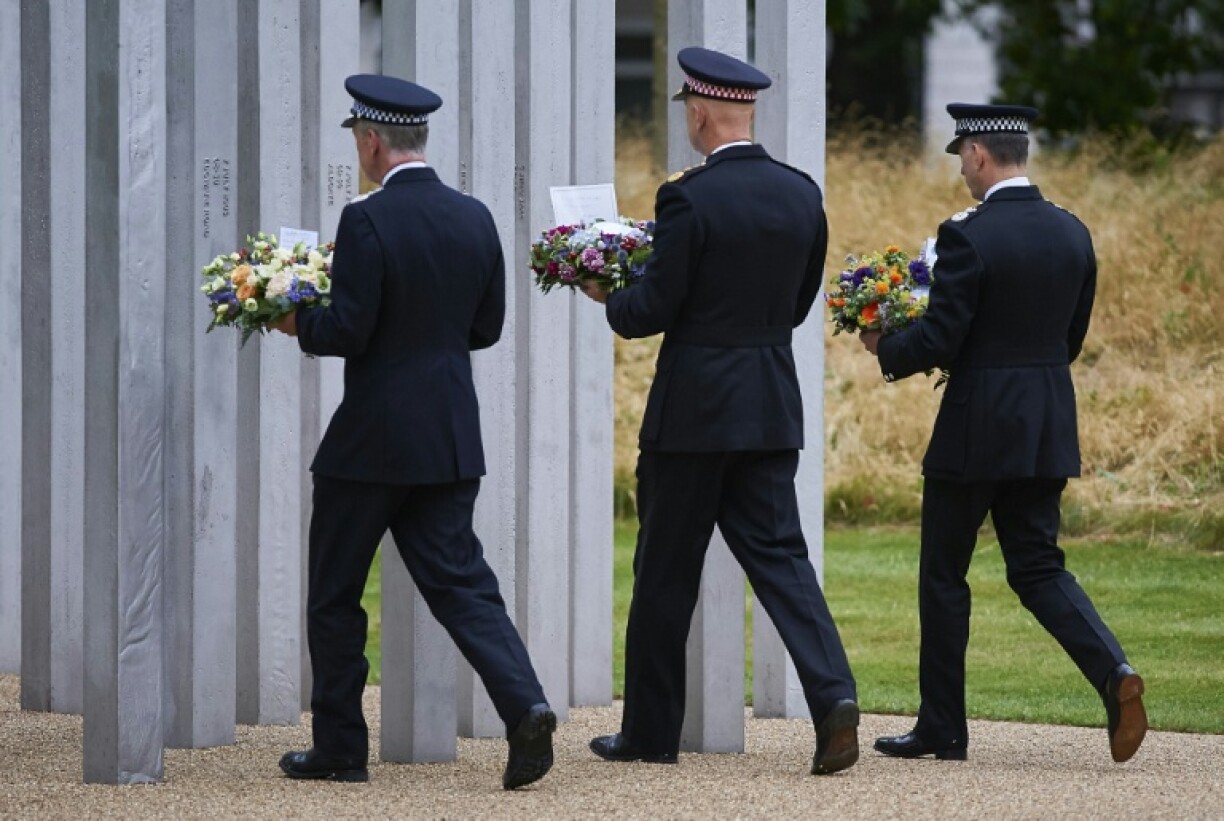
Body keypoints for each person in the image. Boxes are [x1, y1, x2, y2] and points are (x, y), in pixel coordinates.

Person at [578, 46, 860, 776]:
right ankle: (834, 695)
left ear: (700, 112)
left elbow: (653, 309)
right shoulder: (802, 193)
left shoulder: (688, 200)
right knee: (784, 561)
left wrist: (607, 293)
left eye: (689, 114)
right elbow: (797, 303)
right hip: (769, 399)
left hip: (695, 410)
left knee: (666, 568)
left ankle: (650, 732)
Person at [268, 74, 555, 790]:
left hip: (370, 442)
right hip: (450, 434)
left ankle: (339, 748)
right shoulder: (476, 216)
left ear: (370, 141)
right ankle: (526, 705)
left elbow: (349, 330)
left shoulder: (365, 220)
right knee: (464, 585)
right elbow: (484, 328)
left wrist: (294, 317)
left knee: (335, 593)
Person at [859, 103, 1147, 763]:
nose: (962, 169)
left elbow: (942, 334)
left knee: (943, 574)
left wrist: (884, 344)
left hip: (976, 426)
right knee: (1040, 566)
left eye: (962, 156)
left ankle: (943, 727)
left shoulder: (967, 235)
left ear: (982, 156)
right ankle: (1113, 671)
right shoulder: (1073, 232)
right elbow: (1071, 336)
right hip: (1047, 420)